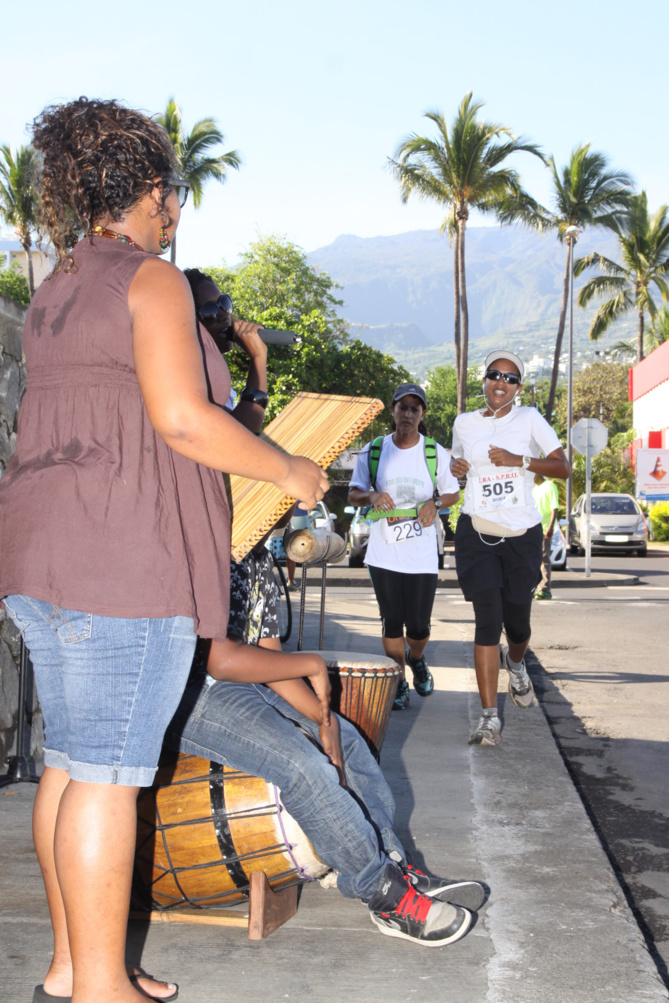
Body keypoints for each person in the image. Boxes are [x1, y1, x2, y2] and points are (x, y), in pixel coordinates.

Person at [0, 97, 327, 1003]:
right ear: (152, 191)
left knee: (71, 763)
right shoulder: (152, 281)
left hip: (41, 555)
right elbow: (183, 420)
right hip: (120, 561)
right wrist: (290, 468)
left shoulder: (59, 286)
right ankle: (102, 987)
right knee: (108, 777)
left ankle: (74, 967)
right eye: (173, 189)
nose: (177, 206)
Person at [167, 551, 487, 948]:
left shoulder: (258, 556)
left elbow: (270, 659)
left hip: (240, 682)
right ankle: (382, 893)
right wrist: (314, 667)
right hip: (184, 691)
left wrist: (325, 719)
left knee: (347, 739)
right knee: (304, 766)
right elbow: (221, 662)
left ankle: (391, 862)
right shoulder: (204, 542)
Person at [450, 351, 570, 747]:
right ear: (484, 380)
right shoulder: (464, 423)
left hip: (521, 535)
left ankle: (515, 663)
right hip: (477, 532)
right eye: (494, 374)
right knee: (487, 620)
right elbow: (457, 462)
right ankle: (489, 718)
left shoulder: (530, 419)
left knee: (517, 623)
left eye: (511, 378)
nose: (501, 382)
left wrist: (521, 460)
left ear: (518, 387)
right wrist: (456, 468)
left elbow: (563, 467)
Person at [347, 384, 460, 710]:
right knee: (391, 620)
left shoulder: (434, 452)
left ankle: (417, 657)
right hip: (383, 552)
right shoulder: (374, 450)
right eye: (403, 407)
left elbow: (452, 492)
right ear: (393, 410)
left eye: (415, 408)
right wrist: (371, 496)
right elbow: (354, 492)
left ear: (422, 414)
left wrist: (435, 503)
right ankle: (398, 680)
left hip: (422, 554)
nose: (408, 414)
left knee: (419, 626)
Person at [532, 473, 560, 600]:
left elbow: (555, 508)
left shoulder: (550, 486)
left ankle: (545, 589)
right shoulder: (535, 489)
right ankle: (536, 588)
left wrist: (551, 527)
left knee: (544, 559)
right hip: (534, 528)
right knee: (534, 560)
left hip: (544, 529)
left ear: (537, 473)